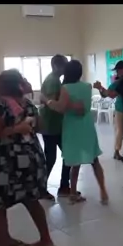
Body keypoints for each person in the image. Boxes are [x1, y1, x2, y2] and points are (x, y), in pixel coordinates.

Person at [0, 69, 54, 246]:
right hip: (32, 158)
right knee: (31, 199)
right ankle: (46, 240)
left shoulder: (0, 106)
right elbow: (41, 127)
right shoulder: (27, 103)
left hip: (9, 162)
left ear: (2, 85)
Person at [47, 60, 108, 204]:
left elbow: (61, 107)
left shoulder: (65, 88)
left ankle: (73, 193)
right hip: (86, 126)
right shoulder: (87, 86)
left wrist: (48, 102)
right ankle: (103, 191)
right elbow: (83, 107)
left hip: (72, 126)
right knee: (94, 160)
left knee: (75, 162)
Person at [39, 54, 71, 200]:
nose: (66, 69)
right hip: (51, 125)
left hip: (54, 125)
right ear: (56, 66)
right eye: (64, 65)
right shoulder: (53, 81)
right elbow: (52, 104)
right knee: (52, 158)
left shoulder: (54, 80)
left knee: (66, 155)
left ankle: (63, 186)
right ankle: (43, 188)